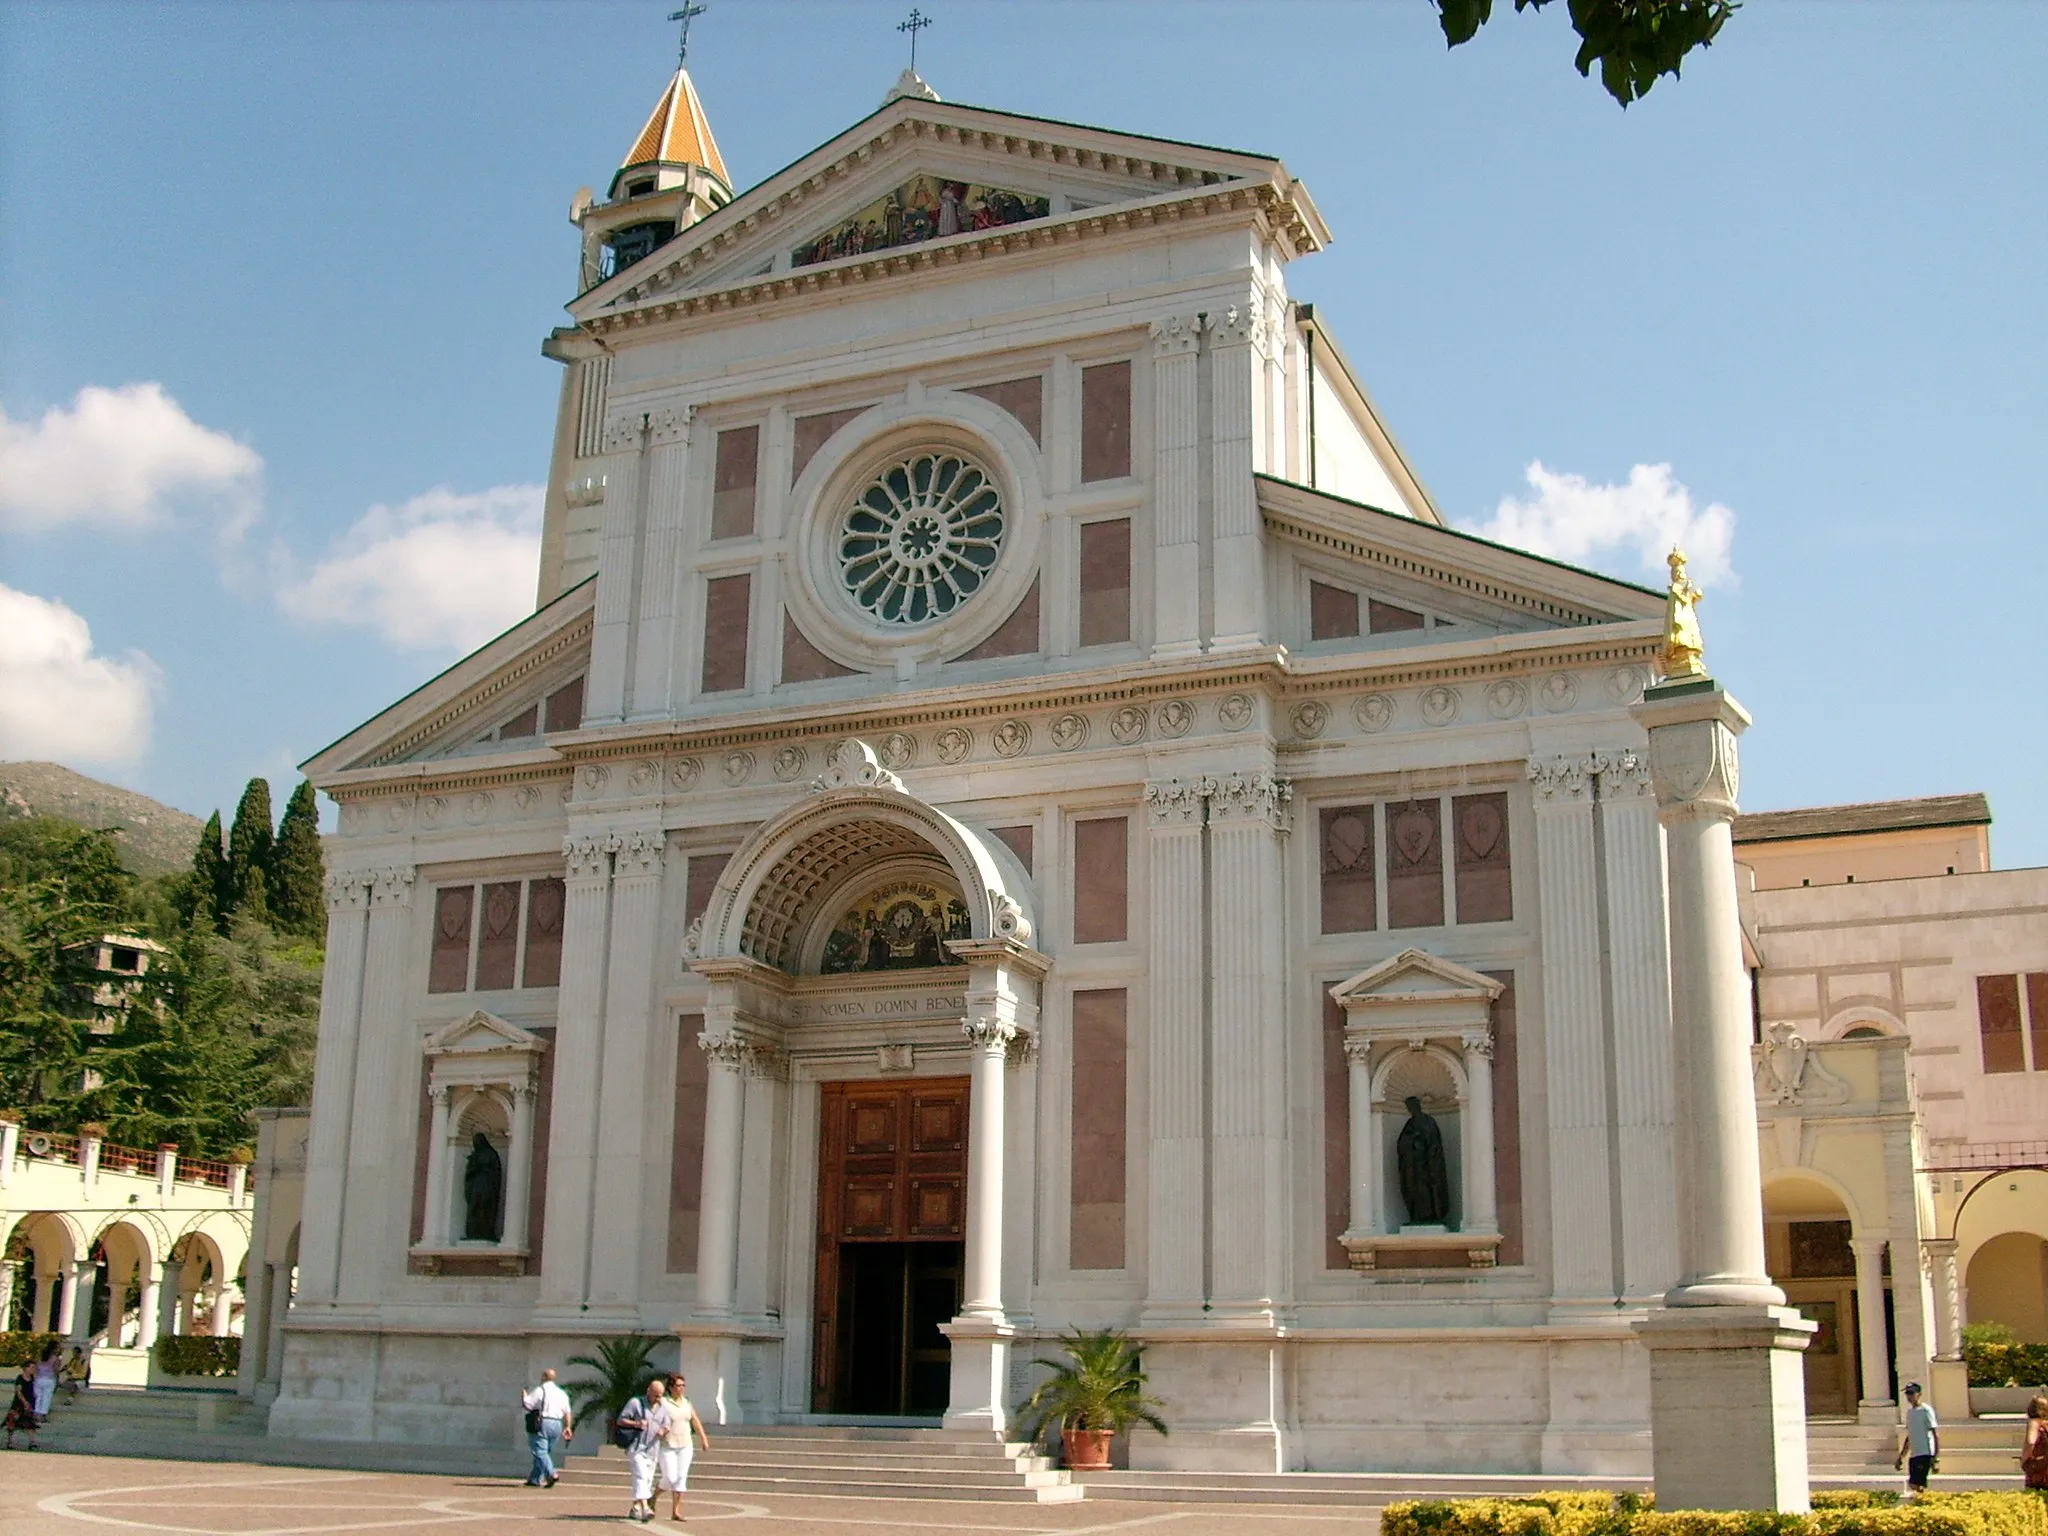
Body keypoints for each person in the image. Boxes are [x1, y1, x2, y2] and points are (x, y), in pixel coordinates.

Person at [658, 1373, 712, 1523]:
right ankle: (654, 1497)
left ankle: (676, 1511)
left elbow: (695, 1420)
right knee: (670, 1477)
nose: (681, 1389)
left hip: (685, 1444)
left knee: (681, 1477)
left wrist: (703, 1439)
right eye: (678, 1386)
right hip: (668, 1444)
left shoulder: (687, 1402)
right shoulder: (664, 1402)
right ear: (671, 1387)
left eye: (683, 1386)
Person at [618, 1376, 667, 1523]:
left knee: (646, 1479)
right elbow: (621, 1419)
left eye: (660, 1395)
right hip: (637, 1447)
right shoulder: (636, 1403)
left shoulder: (663, 1406)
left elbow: (667, 1423)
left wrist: (663, 1430)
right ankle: (645, 1507)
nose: (658, 1398)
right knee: (640, 1475)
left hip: (653, 1449)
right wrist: (636, 1423)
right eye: (655, 1395)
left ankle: (635, 1507)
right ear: (648, 1391)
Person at [519, 1366, 573, 1488]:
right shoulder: (562, 1393)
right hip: (557, 1423)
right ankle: (535, 1478)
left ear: (544, 1377)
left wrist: (523, 1395)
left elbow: (528, 1405)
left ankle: (552, 1473)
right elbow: (567, 1412)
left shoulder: (540, 1390)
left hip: (543, 1421)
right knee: (545, 1451)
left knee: (539, 1451)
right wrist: (568, 1427)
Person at [1894, 1381, 1939, 1494]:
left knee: (1916, 1483)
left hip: (1925, 1452)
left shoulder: (1926, 1410)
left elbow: (1934, 1432)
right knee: (1914, 1485)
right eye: (1907, 1393)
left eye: (1911, 1393)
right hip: (1914, 1453)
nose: (1909, 1396)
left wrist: (1935, 1457)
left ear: (1919, 1394)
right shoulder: (1910, 1412)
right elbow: (1910, 1435)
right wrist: (1901, 1456)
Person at [4, 1360, 40, 1450]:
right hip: (18, 1404)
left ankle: (32, 1442)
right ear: (25, 1368)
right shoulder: (20, 1378)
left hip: (29, 1403)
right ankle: (10, 1442)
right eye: (31, 1367)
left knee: (29, 1423)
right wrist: (24, 1402)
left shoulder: (32, 1377)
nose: (33, 1369)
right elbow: (18, 1391)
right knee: (12, 1423)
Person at [2022, 1394, 2048, 1493]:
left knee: (2032, 1497)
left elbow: (2031, 1442)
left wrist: (2025, 1460)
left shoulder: (2034, 1423)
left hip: (2037, 1468)